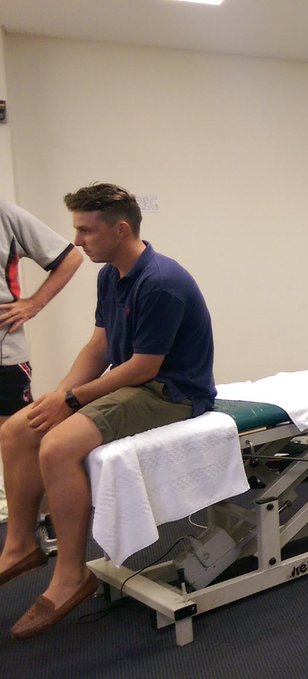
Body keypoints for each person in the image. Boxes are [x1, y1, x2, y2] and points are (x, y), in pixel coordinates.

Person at [0, 183, 216, 639]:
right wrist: (58, 396)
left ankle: (71, 575)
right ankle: (20, 545)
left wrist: (73, 402)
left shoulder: (161, 281)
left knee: (56, 446)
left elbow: (143, 367)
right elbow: (99, 345)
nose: (77, 241)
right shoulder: (111, 274)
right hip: (138, 380)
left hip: (171, 392)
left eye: (86, 230)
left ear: (120, 229)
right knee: (20, 429)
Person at [0, 199, 84, 526]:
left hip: (5, 353)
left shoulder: (5, 214)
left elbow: (70, 256)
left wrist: (35, 303)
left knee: (17, 436)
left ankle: (38, 524)